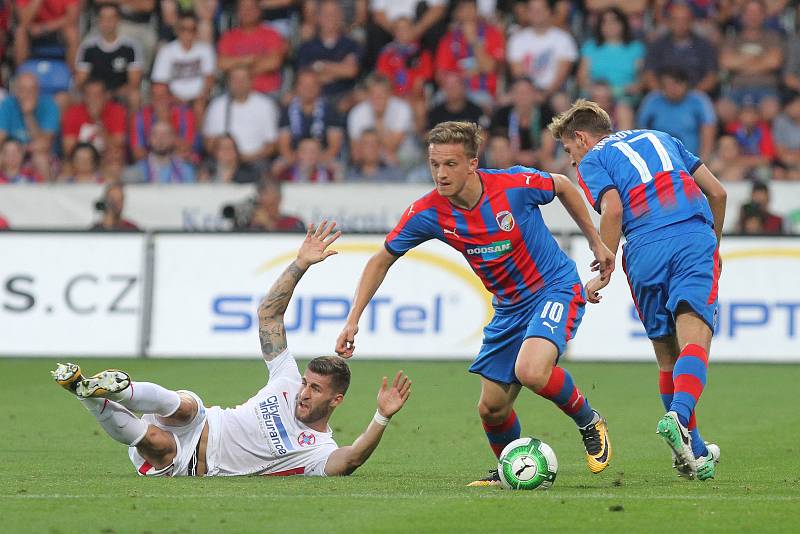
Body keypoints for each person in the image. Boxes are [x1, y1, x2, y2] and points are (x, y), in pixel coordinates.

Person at [335, 121, 615, 486]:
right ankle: (511, 469)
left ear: (472, 163)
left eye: (450, 164)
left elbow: (562, 185)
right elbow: (381, 259)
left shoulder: (512, 185)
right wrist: (353, 319)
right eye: (434, 164)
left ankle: (589, 421)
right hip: (508, 308)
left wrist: (595, 241)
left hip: (553, 288)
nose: (440, 173)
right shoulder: (429, 211)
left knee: (532, 370)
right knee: (492, 408)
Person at [52, 221, 413, 478]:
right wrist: (301, 263)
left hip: (188, 463)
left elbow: (348, 461)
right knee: (186, 406)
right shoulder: (286, 379)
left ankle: (85, 392)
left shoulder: (316, 450)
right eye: (306, 382)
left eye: (316, 389)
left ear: (336, 400)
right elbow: (269, 314)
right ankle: (121, 389)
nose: (303, 392)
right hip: (204, 419)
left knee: (158, 441)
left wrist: (382, 417)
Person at [549, 99, 727, 481]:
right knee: (695, 341)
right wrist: (713, 241)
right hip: (691, 237)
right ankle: (679, 418)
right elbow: (718, 193)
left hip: (644, 249)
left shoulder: (595, 159)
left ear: (581, 137)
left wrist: (607, 263)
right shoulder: (664, 137)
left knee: (667, 357)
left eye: (569, 151)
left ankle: (694, 453)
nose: (573, 161)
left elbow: (612, 209)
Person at [203, 66, 279, 166]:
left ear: (251, 81)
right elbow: (209, 142)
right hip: (224, 161)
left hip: (257, 161)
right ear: (228, 82)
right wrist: (228, 157)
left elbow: (272, 145)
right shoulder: (217, 106)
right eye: (235, 79)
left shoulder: (265, 105)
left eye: (243, 79)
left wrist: (247, 158)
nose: (239, 83)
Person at [637, 67, 716, 162]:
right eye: (667, 85)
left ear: (686, 84)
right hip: (658, 160)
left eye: (676, 83)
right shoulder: (653, 100)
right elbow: (640, 130)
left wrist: (703, 160)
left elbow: (709, 128)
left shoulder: (698, 100)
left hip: (691, 160)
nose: (672, 88)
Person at [434, 0, 505, 105]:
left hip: (483, 92)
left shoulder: (492, 33)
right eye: (463, 9)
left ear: (477, 11)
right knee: (437, 103)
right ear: (457, 13)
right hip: (454, 91)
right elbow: (440, 74)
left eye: (471, 8)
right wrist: (465, 75)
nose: (467, 13)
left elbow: (490, 67)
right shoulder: (448, 39)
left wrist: (473, 40)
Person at [75, 3, 143, 107]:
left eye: (111, 18)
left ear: (118, 20)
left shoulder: (130, 47)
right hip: (94, 95)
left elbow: (134, 83)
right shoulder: (88, 47)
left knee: (135, 96)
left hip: (119, 95)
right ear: (98, 21)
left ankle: (133, 123)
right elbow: (80, 80)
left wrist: (111, 94)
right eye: (103, 18)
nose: (107, 22)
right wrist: (97, 94)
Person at [296, 0, 362, 106]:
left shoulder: (351, 44)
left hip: (343, 96)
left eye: (334, 13)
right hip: (314, 99)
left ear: (341, 17)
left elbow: (350, 71)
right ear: (318, 17)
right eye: (325, 14)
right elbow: (305, 78)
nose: (330, 18)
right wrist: (339, 69)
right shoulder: (307, 47)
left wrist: (319, 66)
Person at [643, 2, 718, 94]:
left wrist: (690, 96)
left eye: (685, 20)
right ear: (669, 22)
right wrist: (664, 94)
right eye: (675, 20)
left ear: (692, 22)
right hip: (663, 97)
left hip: (695, 96)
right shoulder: (657, 45)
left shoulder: (705, 46)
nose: (680, 24)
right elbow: (649, 75)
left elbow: (711, 77)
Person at [507, 0, 578, 98]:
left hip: (553, 92)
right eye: (532, 10)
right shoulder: (517, 39)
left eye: (540, 10)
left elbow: (561, 77)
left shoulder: (564, 39)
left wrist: (544, 95)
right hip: (524, 92)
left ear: (549, 11)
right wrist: (530, 95)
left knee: (560, 102)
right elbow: (518, 74)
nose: (535, 13)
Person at [150, 12, 216, 116]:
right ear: (177, 30)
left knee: (199, 107)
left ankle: (198, 133)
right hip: (172, 98)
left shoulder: (206, 50)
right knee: (161, 104)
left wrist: (200, 97)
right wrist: (174, 99)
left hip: (199, 99)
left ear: (197, 31)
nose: (187, 33)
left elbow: (209, 80)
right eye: (183, 29)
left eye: (192, 29)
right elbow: (159, 84)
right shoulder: (166, 51)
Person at [217, 0, 287, 96]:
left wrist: (240, 71)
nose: (247, 11)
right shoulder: (228, 37)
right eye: (243, 8)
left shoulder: (272, 34)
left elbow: (274, 62)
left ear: (259, 11)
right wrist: (247, 59)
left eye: (251, 8)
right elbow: (222, 63)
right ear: (238, 12)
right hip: (236, 94)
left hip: (267, 93)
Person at [277, 69, 344, 167]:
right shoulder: (287, 110)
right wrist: (296, 162)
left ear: (319, 87)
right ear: (296, 87)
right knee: (276, 168)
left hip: (323, 158)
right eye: (304, 85)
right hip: (295, 159)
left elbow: (334, 146)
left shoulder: (330, 110)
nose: (308, 89)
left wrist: (318, 162)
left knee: (339, 169)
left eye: (313, 85)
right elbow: (284, 146)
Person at [577, 7, 644, 103]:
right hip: (595, 94)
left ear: (623, 24)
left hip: (624, 95)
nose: (609, 25)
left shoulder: (636, 48)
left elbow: (641, 78)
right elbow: (581, 78)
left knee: (622, 109)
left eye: (614, 21)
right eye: (605, 22)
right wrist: (596, 90)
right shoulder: (590, 47)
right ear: (600, 26)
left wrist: (625, 90)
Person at [0, 72, 59, 181]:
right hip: (12, 153)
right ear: (16, 91)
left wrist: (28, 115)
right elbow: (1, 139)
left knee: (40, 158)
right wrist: (15, 152)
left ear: (38, 91)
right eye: (22, 89)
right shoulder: (7, 104)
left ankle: (48, 196)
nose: (27, 94)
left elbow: (44, 145)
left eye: (31, 90)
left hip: (37, 156)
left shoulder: (49, 105)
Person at [61, 78, 126, 157]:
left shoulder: (116, 111)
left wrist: (97, 121)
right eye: (89, 95)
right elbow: (68, 149)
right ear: (84, 97)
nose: (93, 99)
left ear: (106, 96)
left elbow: (118, 146)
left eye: (97, 95)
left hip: (107, 159)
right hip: (82, 160)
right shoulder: (73, 113)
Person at [123, 121, 196, 183]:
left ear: (173, 139)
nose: (160, 139)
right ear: (149, 139)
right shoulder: (138, 170)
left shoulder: (186, 170)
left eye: (165, 135)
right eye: (156, 135)